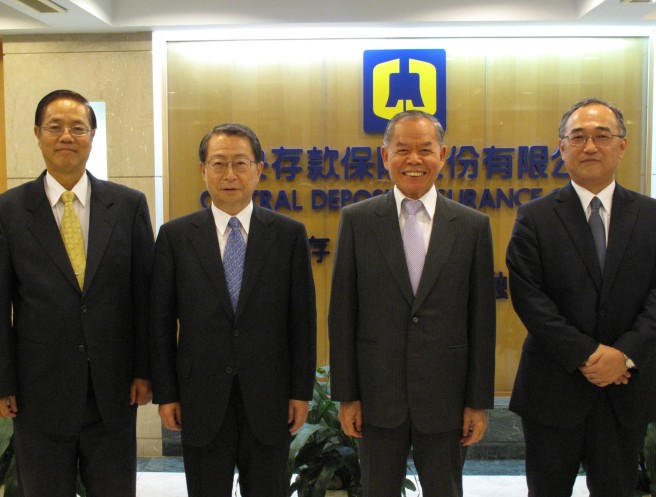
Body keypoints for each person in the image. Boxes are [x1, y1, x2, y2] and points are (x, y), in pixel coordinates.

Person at [328, 110, 496, 497]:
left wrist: (477, 402)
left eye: (425, 149)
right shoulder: (357, 220)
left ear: (443, 155)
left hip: (447, 400)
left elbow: (481, 320)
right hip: (376, 397)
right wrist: (347, 395)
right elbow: (343, 315)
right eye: (402, 150)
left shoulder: (472, 226)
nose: (414, 160)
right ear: (385, 156)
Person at [0, 89, 154, 497]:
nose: (66, 136)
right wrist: (3, 381)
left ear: (92, 135)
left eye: (77, 128)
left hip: (114, 388)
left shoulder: (128, 205)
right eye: (55, 127)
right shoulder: (9, 210)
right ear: (37, 133)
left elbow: (144, 297)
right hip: (38, 392)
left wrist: (144, 368)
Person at [150, 122, 317, 497]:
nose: (230, 175)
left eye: (240, 163)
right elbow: (160, 322)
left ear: (259, 169)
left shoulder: (288, 234)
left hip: (270, 399)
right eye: (219, 163)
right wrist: (167, 393)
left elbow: (302, 321)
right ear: (202, 170)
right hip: (200, 398)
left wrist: (300, 392)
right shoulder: (176, 237)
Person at [506, 97, 656, 497]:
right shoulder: (534, 217)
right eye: (578, 137)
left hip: (624, 391)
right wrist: (589, 356)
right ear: (562, 147)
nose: (590, 146)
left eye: (602, 136)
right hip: (553, 390)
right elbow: (529, 297)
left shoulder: (651, 216)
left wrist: (622, 355)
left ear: (622, 145)